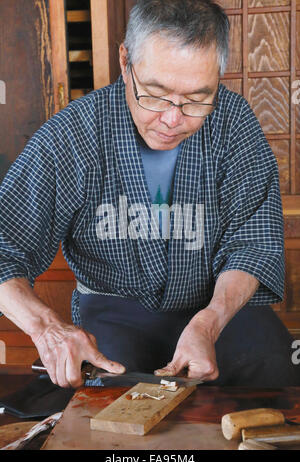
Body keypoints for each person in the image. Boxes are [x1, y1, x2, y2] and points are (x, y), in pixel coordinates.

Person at [0, 0, 299, 389]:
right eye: (155, 94)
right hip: (114, 309)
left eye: (196, 99)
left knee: (277, 378)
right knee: (102, 400)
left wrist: (209, 322)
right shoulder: (73, 134)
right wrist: (48, 330)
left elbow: (253, 242)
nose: (173, 119)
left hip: (219, 305)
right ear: (125, 62)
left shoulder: (233, 121)